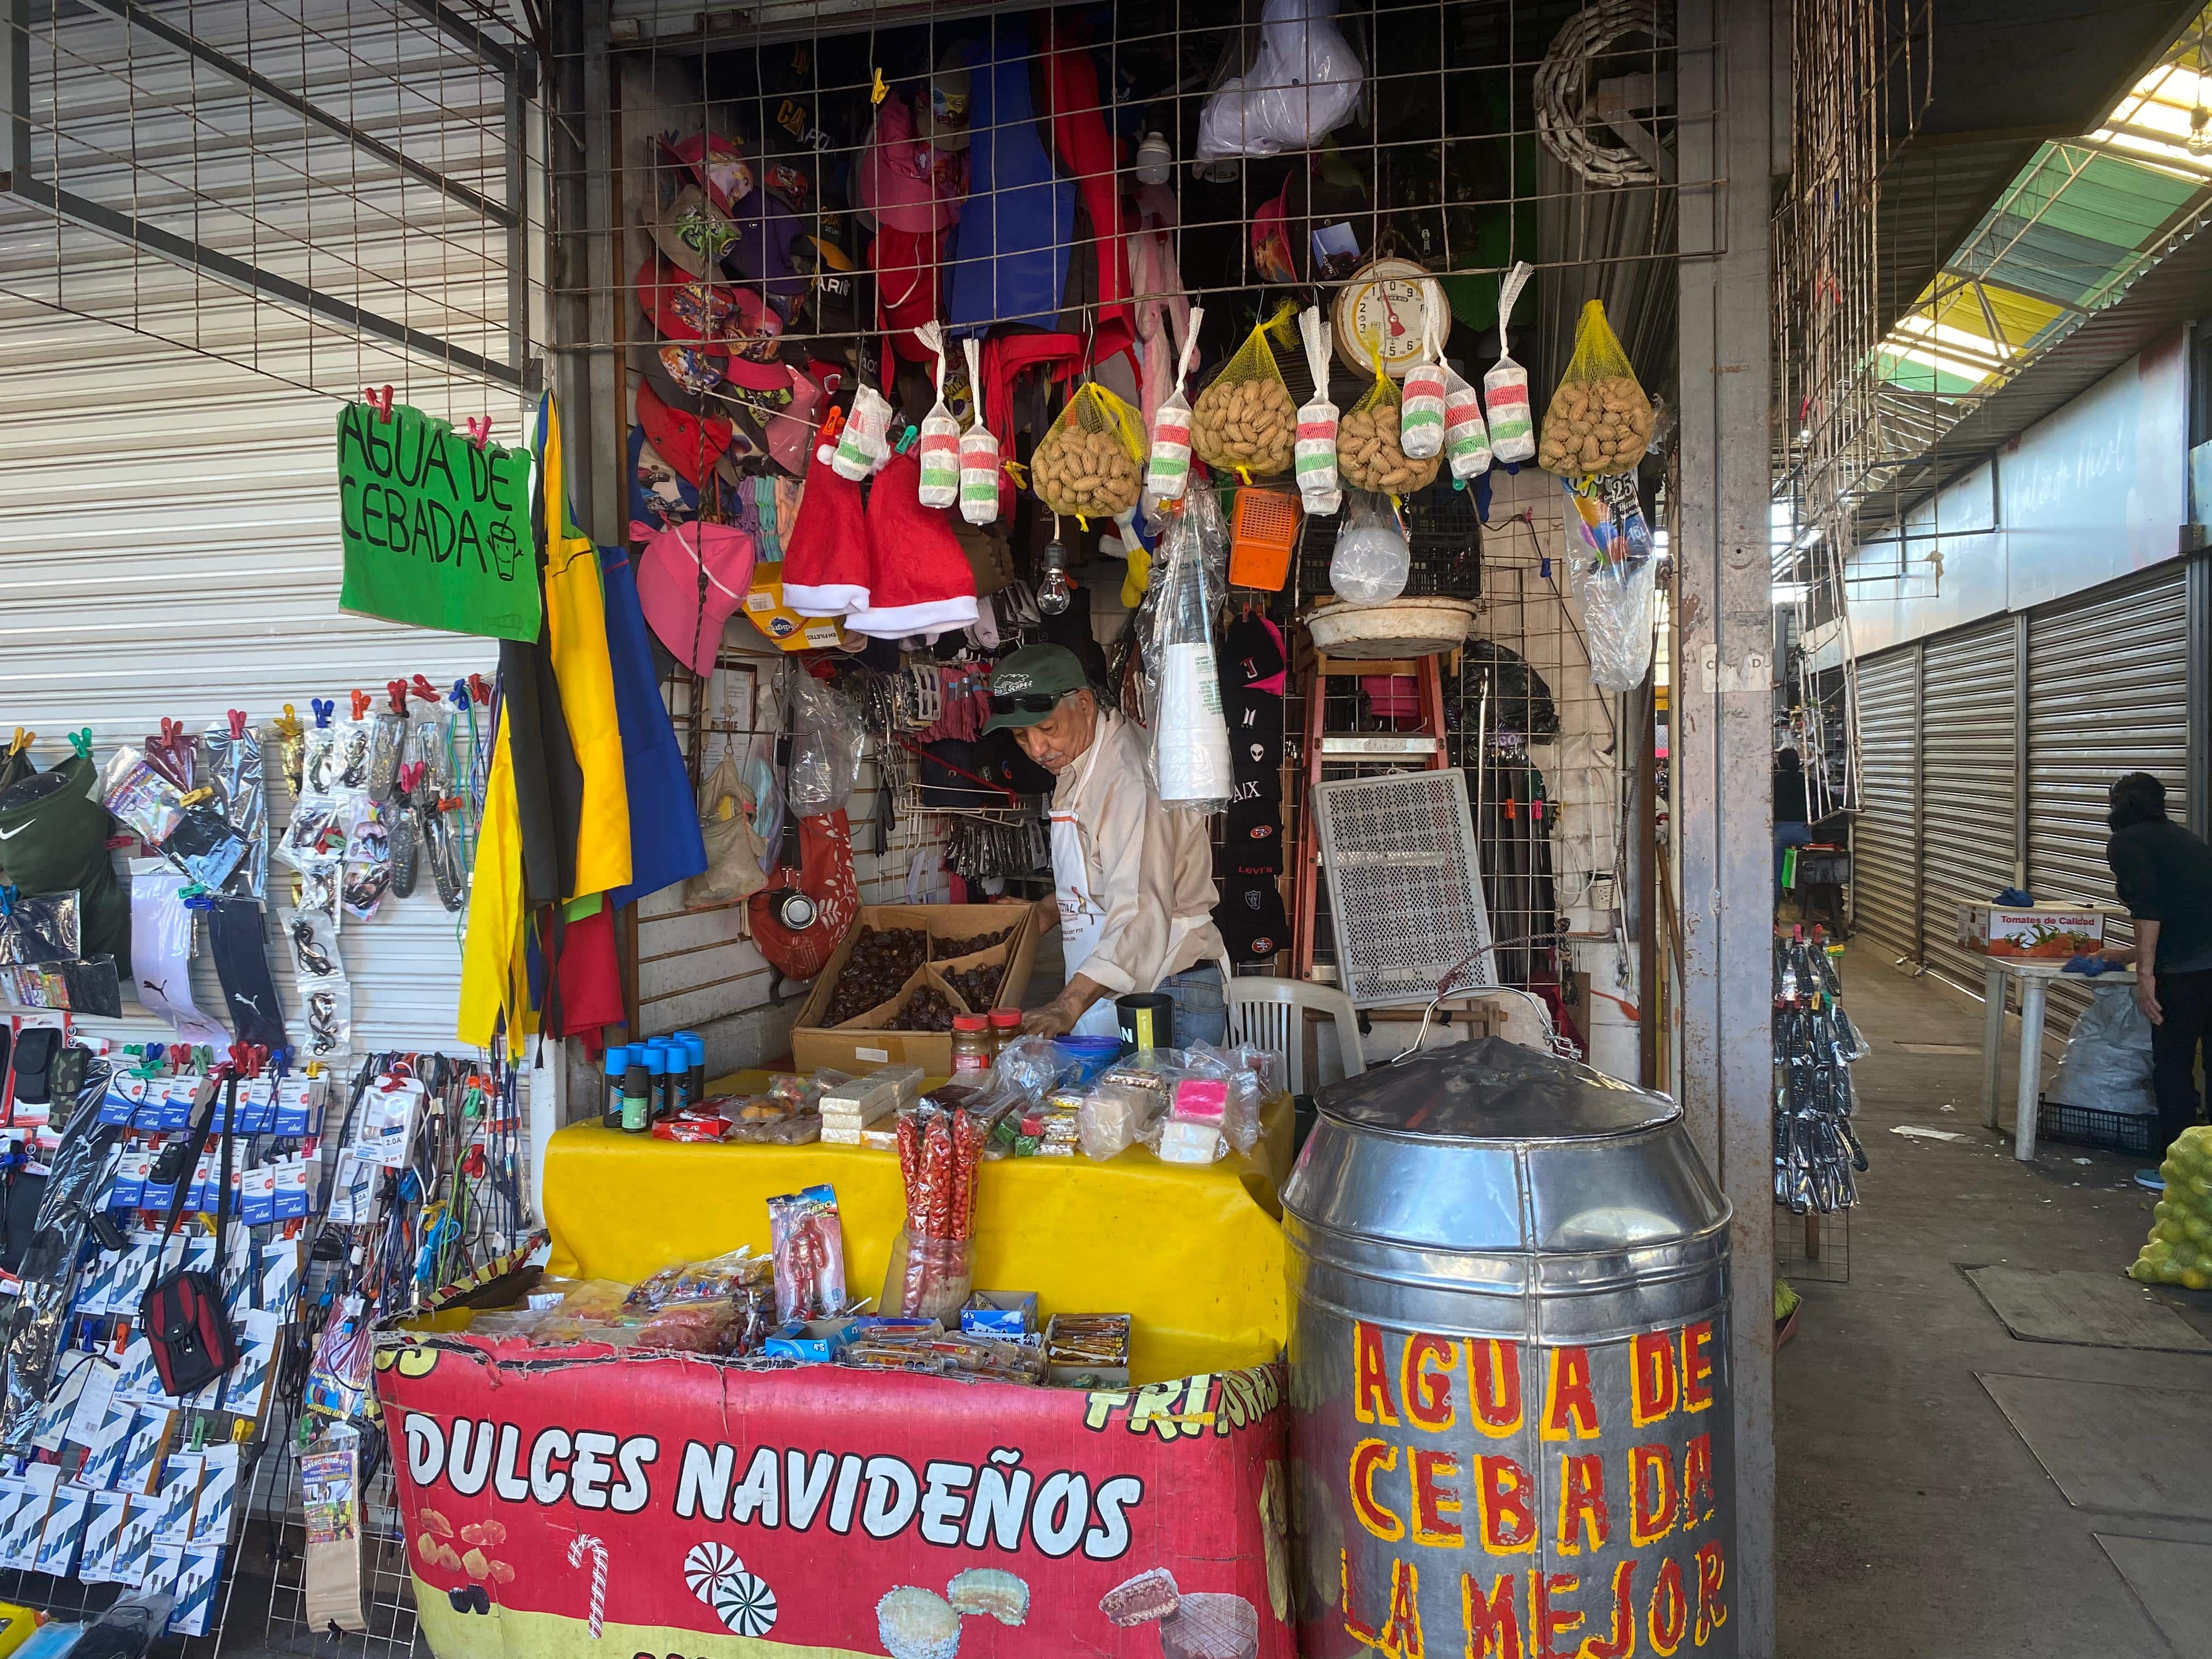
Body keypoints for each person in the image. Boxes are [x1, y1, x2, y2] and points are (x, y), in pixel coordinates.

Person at [981, 644, 1230, 1046]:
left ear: (1082, 703)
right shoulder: (1082, 763)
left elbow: (1139, 910)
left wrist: (1067, 1005)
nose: (1037, 750)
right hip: (1127, 984)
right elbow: (1106, 874)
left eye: (1046, 729)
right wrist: (1047, 910)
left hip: (1169, 991)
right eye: (1020, 737)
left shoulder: (1128, 779)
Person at [2100, 771, 2212, 1188]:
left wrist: (2144, 974)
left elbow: (2150, 907)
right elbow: (2189, 910)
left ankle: (2177, 1172)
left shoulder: (2127, 843)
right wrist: (2128, 955)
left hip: (2186, 971)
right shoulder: (2185, 840)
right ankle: (2208, 1171)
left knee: (2174, 1064)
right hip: (2202, 960)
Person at [1774, 747, 1812, 893]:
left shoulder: (1774, 782)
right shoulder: (1806, 781)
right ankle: (1802, 896)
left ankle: (1774, 911)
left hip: (1778, 831)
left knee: (1774, 874)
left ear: (1779, 764)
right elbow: (1830, 798)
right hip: (1803, 831)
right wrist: (1813, 816)